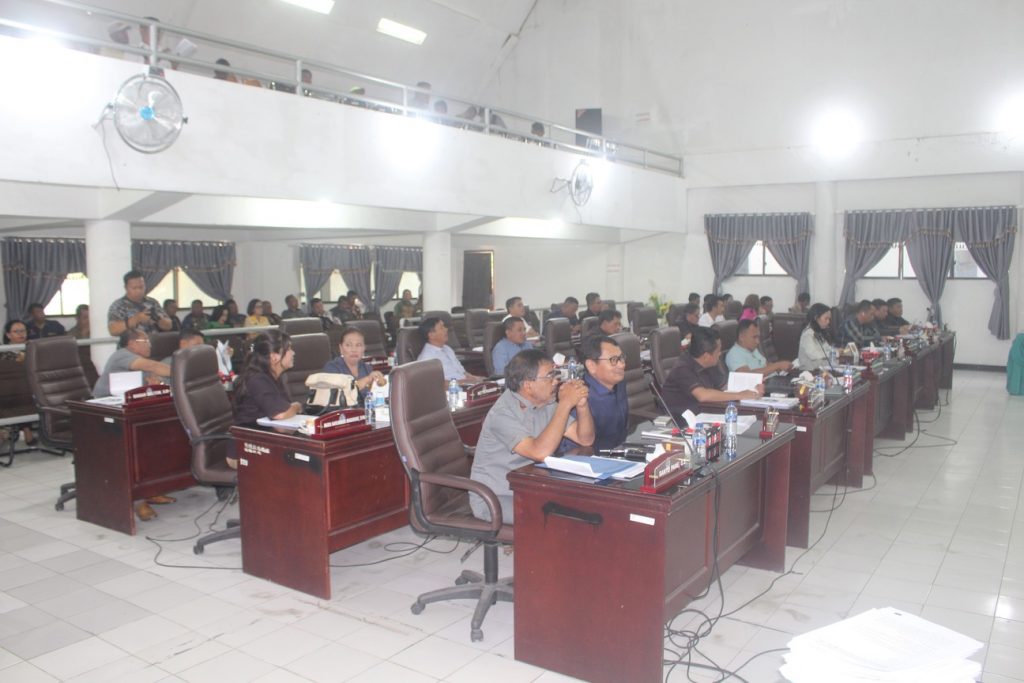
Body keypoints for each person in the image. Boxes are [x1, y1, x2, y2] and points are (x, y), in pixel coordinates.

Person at [469, 349, 594, 523]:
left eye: (555, 374)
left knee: (583, 504)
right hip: (495, 497)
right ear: (528, 385)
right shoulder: (502, 413)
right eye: (550, 376)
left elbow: (585, 439)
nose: (556, 381)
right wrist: (565, 404)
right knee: (558, 518)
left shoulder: (546, 403)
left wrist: (581, 405)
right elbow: (539, 452)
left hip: (530, 486)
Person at [662, 327, 763, 418]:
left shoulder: (709, 363)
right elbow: (703, 395)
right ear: (706, 356)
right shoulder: (682, 368)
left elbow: (724, 388)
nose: (720, 354)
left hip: (706, 412)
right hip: (682, 421)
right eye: (718, 351)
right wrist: (740, 395)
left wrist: (753, 389)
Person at [569, 335, 628, 451]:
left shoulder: (620, 384)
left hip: (618, 451)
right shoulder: (580, 396)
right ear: (591, 366)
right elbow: (578, 449)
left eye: (621, 358)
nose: (622, 365)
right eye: (613, 360)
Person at [233, 331, 302, 425]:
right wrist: (297, 406)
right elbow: (280, 414)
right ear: (274, 357)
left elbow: (284, 407)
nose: (293, 353)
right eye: (289, 349)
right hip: (251, 432)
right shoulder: (257, 379)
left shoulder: (276, 376)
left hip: (269, 429)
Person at [93, 329, 172, 398]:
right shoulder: (121, 354)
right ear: (132, 343)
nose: (150, 345)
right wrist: (178, 373)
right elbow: (153, 366)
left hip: (126, 398)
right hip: (105, 399)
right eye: (145, 341)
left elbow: (153, 379)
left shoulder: (141, 361)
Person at [322, 327, 386, 401]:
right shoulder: (331, 368)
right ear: (341, 348)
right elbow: (342, 395)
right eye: (348, 345)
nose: (354, 349)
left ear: (364, 348)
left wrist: (380, 382)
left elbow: (372, 396)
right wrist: (367, 379)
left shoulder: (367, 368)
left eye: (358, 345)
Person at [416, 317, 484, 382]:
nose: (446, 329)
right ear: (431, 335)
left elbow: (463, 373)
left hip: (466, 384)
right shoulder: (427, 358)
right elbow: (438, 383)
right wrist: (467, 382)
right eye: (441, 328)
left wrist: (477, 379)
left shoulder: (447, 348)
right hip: (454, 388)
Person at [107, 270, 173, 336]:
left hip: (153, 341)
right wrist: (136, 319)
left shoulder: (152, 302)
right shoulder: (118, 305)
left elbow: (169, 325)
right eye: (134, 288)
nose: (138, 291)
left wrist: (158, 319)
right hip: (132, 342)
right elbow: (113, 330)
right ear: (126, 288)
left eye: (141, 287)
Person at [1, 320, 34, 445]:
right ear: (8, 335)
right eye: (16, 331)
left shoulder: (33, 348)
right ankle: (24, 429)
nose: (21, 334)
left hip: (31, 389)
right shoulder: (3, 352)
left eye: (23, 331)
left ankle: (26, 429)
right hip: (9, 391)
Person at [725, 319, 792, 374]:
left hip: (772, 379)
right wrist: (777, 365)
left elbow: (766, 365)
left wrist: (780, 367)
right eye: (754, 337)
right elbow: (747, 375)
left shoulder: (752, 349)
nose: (758, 341)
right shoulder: (734, 354)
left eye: (758, 337)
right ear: (741, 337)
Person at [798, 304, 836, 370]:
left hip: (820, 368)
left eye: (829, 319)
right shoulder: (808, 334)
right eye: (826, 318)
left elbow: (827, 348)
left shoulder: (819, 332)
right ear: (816, 318)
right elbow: (814, 355)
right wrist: (832, 353)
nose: (828, 322)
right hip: (809, 371)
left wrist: (836, 351)